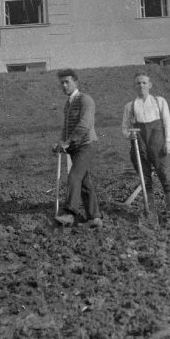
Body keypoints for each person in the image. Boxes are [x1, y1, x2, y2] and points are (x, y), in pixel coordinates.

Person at [121, 71, 170, 227]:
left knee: (165, 177)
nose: (141, 85)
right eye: (138, 83)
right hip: (139, 145)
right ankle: (151, 215)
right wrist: (129, 136)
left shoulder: (159, 102)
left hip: (158, 144)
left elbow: (167, 122)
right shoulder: (130, 106)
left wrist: (168, 142)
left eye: (144, 83)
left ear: (150, 85)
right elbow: (125, 128)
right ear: (134, 86)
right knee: (145, 180)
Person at [53, 68, 102, 228]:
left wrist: (68, 142)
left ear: (76, 82)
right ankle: (94, 217)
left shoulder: (85, 100)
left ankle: (70, 213)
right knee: (84, 182)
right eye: (62, 83)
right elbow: (66, 128)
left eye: (67, 82)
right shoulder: (68, 105)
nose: (64, 85)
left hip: (86, 145)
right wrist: (61, 143)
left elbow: (84, 125)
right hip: (75, 148)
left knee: (74, 176)